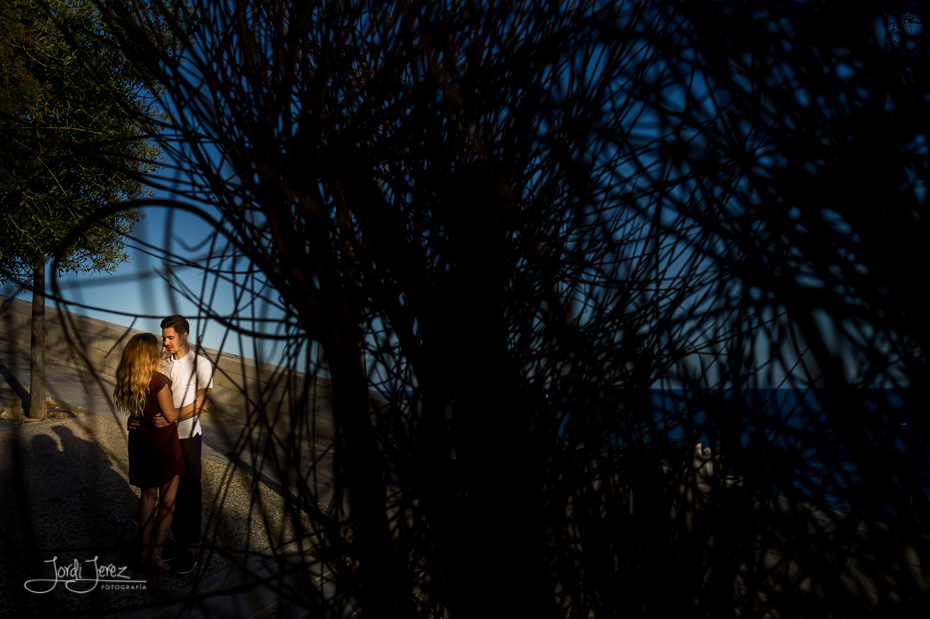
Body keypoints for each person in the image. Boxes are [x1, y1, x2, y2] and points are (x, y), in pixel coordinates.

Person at [129, 314, 214, 574]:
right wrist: (134, 418)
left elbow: (203, 402)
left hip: (187, 436)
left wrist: (171, 418)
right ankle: (159, 547)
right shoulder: (160, 363)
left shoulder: (201, 364)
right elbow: (145, 394)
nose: (165, 342)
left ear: (184, 335)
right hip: (158, 440)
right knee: (161, 495)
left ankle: (189, 549)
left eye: (170, 337)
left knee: (189, 493)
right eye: (164, 337)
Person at [114, 333, 186, 571]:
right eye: (159, 347)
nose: (163, 349)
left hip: (140, 441)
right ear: (150, 355)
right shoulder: (159, 381)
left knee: (147, 497)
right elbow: (172, 415)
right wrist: (199, 404)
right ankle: (157, 553)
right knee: (167, 501)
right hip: (162, 444)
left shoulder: (131, 380)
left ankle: (143, 552)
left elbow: (138, 412)